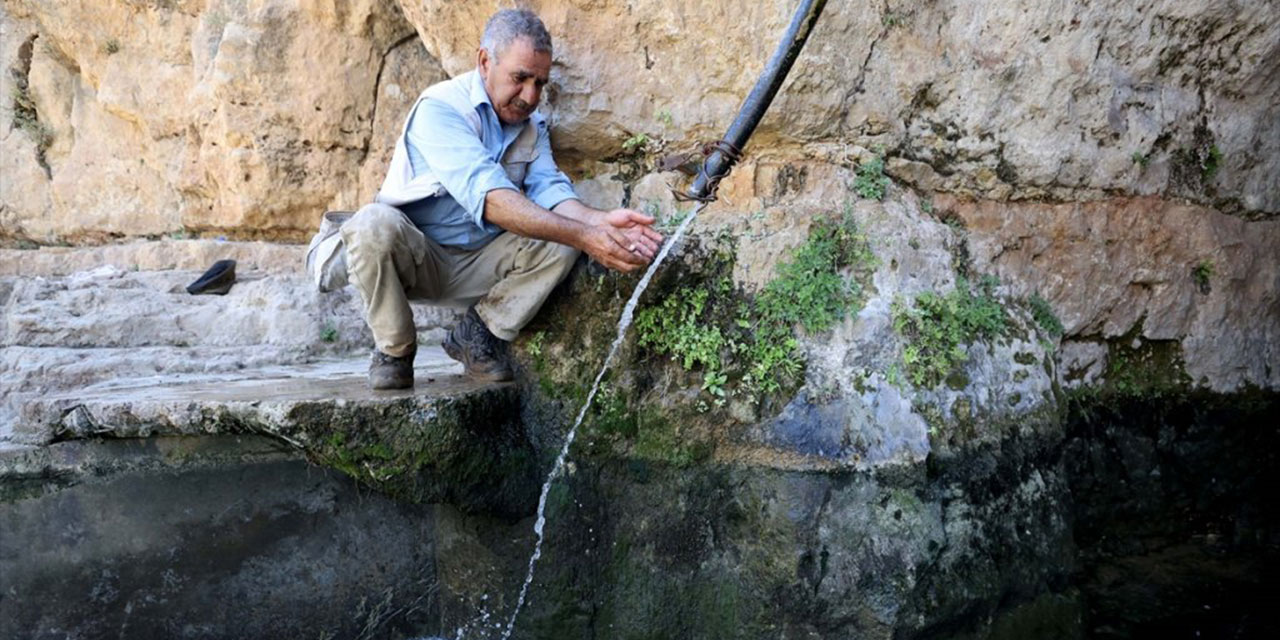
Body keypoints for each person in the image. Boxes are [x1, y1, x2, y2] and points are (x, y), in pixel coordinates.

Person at [306, 8, 663, 390]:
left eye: (540, 83)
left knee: (563, 241)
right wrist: (583, 234)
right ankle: (394, 350)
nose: (530, 96)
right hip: (415, 261)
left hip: (479, 264)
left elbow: (552, 191)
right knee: (372, 223)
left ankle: (476, 335)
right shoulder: (440, 108)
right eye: (520, 78)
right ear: (484, 62)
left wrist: (599, 223)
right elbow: (491, 198)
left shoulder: (532, 127)